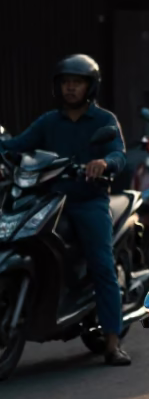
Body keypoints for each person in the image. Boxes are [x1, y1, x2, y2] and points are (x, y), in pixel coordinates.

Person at [0, 55, 129, 365]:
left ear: (90, 86)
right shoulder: (49, 121)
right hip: (48, 200)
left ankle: (112, 342)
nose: (70, 88)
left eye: (77, 83)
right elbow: (16, 146)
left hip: (87, 201)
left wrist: (105, 163)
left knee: (102, 265)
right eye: (65, 83)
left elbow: (119, 154)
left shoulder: (103, 121)